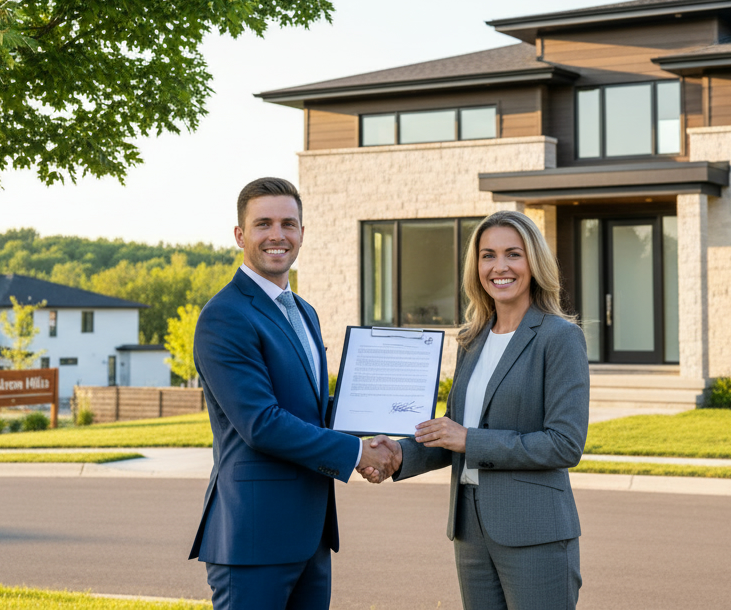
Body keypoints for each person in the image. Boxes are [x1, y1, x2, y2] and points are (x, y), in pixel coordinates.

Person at [363, 210, 590, 610]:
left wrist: (468, 439)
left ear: (534, 261)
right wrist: (399, 455)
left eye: (512, 254)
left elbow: (564, 444)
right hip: (470, 529)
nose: (499, 267)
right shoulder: (471, 340)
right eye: (488, 255)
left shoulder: (560, 338)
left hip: (534, 532)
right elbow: (452, 435)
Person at [190, 177, 398, 610]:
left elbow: (311, 409)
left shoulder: (304, 311)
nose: (277, 235)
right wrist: (358, 453)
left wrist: (392, 411)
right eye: (263, 223)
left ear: (302, 232)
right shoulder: (225, 316)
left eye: (289, 223)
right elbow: (261, 424)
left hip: (311, 535)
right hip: (254, 537)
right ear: (240, 235)